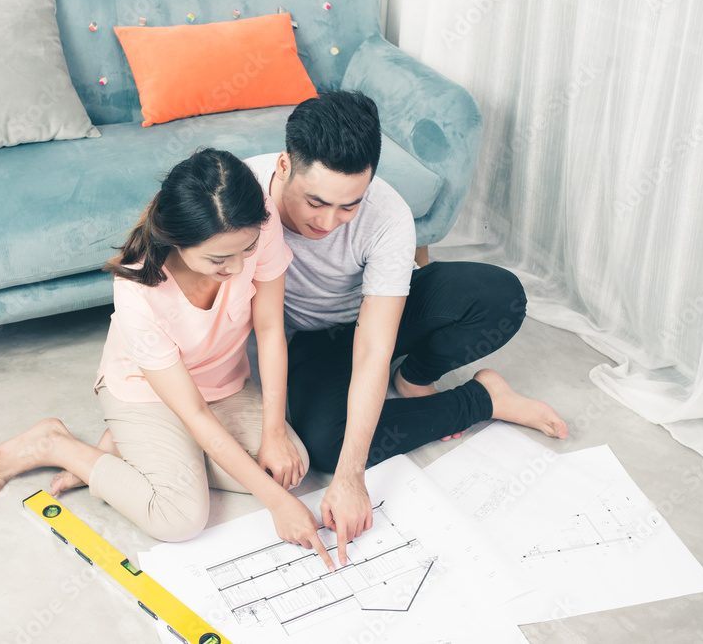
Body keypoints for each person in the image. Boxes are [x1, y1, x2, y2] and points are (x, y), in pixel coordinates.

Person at [244, 91, 569, 566]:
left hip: (377, 316)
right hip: (311, 340)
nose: (329, 222)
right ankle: (485, 399)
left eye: (348, 206)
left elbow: (374, 345)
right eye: (316, 202)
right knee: (328, 446)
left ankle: (414, 378)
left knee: (500, 297)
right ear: (284, 166)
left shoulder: (387, 213)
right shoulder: (243, 195)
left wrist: (354, 478)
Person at [0, 149, 334, 568]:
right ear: (177, 241)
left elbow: (271, 329)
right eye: (219, 259)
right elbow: (196, 414)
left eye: (247, 250)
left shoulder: (258, 224)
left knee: (290, 464)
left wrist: (273, 432)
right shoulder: (136, 289)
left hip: (221, 384)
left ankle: (134, 451)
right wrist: (275, 505)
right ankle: (59, 445)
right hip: (146, 391)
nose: (239, 267)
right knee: (179, 516)